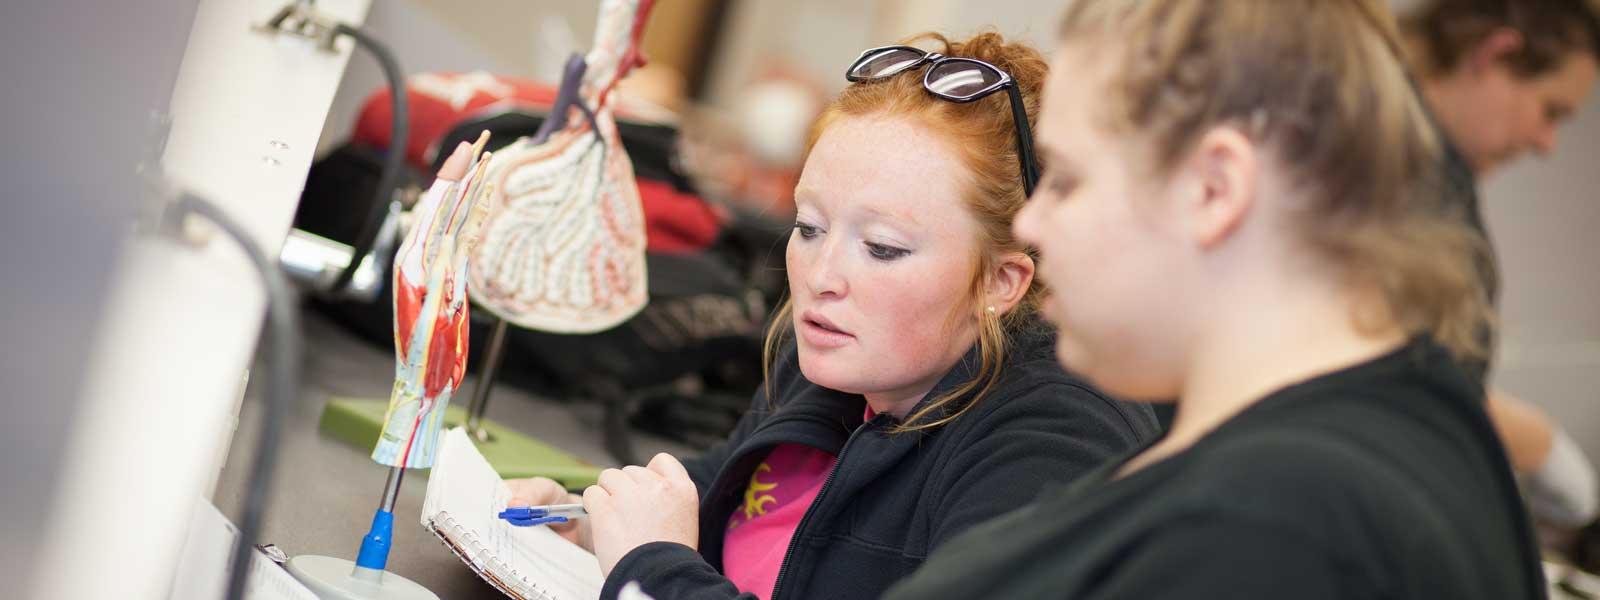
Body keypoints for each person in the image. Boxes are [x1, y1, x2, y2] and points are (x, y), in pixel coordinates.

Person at [885, 1, 1545, 598]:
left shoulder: (1265, 532)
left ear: (1213, 188)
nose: (1030, 225)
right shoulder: (1420, 416)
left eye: (1066, 180)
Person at [507, 32, 1159, 600]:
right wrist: (591, 522)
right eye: (810, 227)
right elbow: (720, 500)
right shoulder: (833, 356)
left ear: (1000, 280)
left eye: (882, 248)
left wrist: (653, 571)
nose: (820, 278)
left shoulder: (1056, 441)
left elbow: (667, 566)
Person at [1399, 0, 1600, 531]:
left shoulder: (1422, 170)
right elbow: (1392, 385)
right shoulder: (1386, 176)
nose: (1547, 144)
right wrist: (1531, 438)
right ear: (1496, 54)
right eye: (1551, 110)